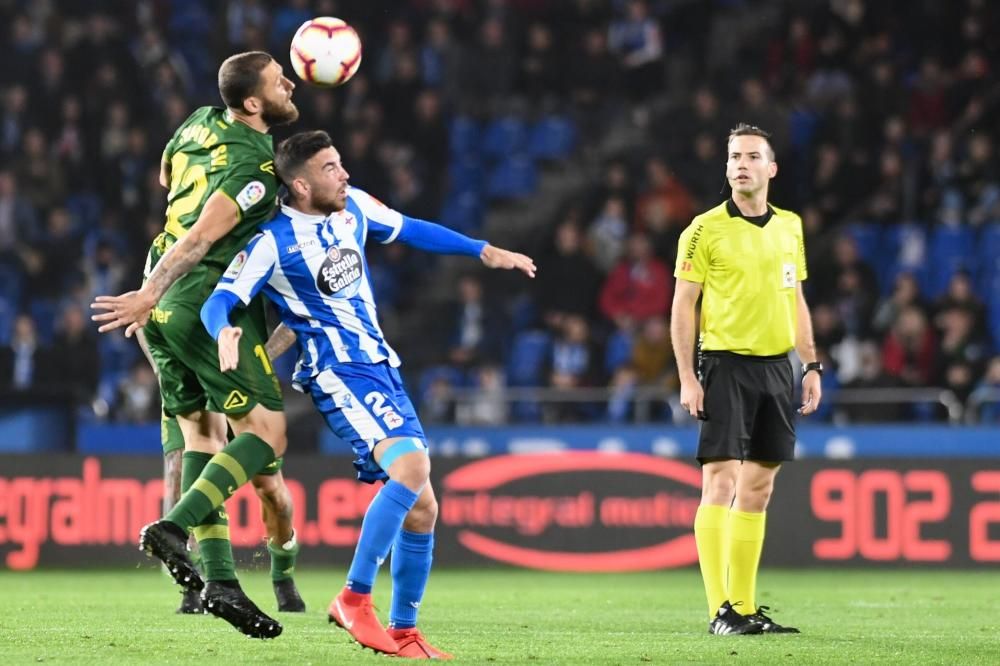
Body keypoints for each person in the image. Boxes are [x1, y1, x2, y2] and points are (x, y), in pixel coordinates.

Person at [199, 130, 535, 657]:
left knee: (423, 508)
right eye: (332, 168)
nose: (346, 174)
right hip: (337, 370)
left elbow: (410, 228)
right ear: (302, 184)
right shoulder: (272, 242)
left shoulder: (353, 207)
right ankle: (354, 598)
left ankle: (403, 631)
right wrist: (225, 330)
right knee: (411, 468)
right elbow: (220, 300)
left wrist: (481, 250)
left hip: (381, 366)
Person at [91, 51, 300, 639]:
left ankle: (222, 583)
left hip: (159, 298)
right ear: (254, 103)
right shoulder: (260, 166)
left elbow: (166, 179)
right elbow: (203, 235)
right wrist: (148, 293)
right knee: (267, 435)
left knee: (202, 437)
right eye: (278, 79)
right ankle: (174, 527)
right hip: (194, 298)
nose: (290, 82)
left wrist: (150, 293)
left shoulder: (197, 121)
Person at [671, 123, 821, 636]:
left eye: (752, 156)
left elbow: (795, 298)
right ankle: (720, 612)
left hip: (778, 368)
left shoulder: (790, 227)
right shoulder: (702, 229)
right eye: (735, 156)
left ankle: (746, 606)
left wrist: (811, 364)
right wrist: (688, 378)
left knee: (757, 488)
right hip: (726, 364)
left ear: (771, 168)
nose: (741, 164)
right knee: (721, 481)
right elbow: (683, 306)